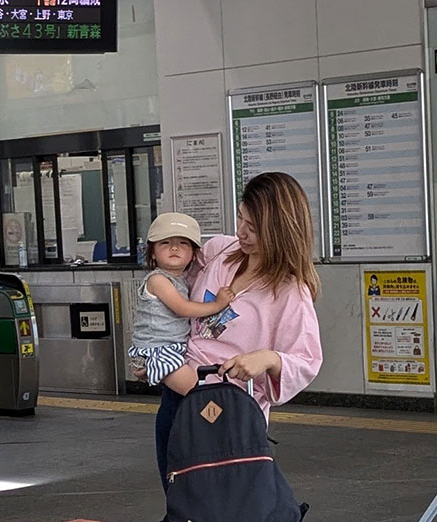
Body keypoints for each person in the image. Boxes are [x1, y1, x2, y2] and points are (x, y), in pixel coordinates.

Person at [153, 172, 323, 488]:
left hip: (229, 411)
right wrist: (152, 346)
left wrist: (269, 359)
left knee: (224, 508)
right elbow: (173, 281)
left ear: (280, 231)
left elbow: (307, 359)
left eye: (253, 229)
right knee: (180, 502)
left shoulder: (289, 292)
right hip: (178, 400)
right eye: (240, 218)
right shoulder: (220, 251)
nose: (240, 232)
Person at [128, 213, 235, 386]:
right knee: (197, 394)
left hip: (174, 348)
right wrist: (217, 304)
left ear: (193, 255)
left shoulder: (182, 280)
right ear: (152, 253)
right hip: (157, 349)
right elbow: (182, 308)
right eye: (165, 243)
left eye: (183, 243)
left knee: (197, 396)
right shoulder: (157, 280)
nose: (174, 248)